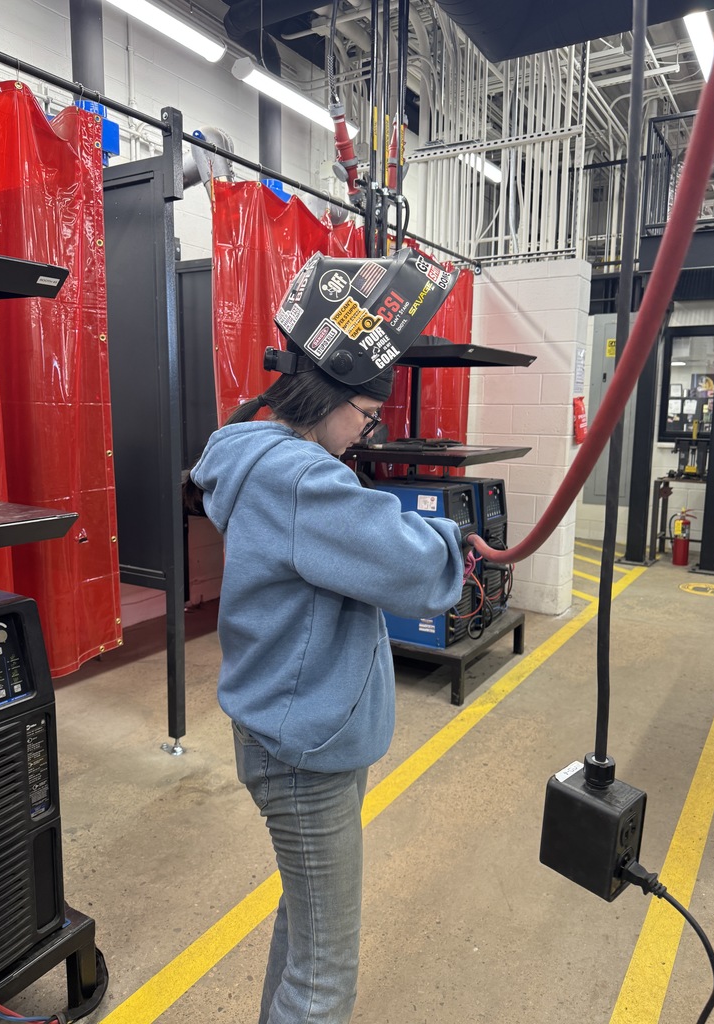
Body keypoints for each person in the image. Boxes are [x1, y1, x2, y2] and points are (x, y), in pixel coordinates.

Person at [185, 248, 465, 1024]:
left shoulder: (262, 455)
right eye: (367, 418)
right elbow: (413, 571)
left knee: (307, 930)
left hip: (293, 734)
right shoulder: (303, 480)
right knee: (325, 977)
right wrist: (452, 539)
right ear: (329, 394)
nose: (366, 437)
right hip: (302, 750)